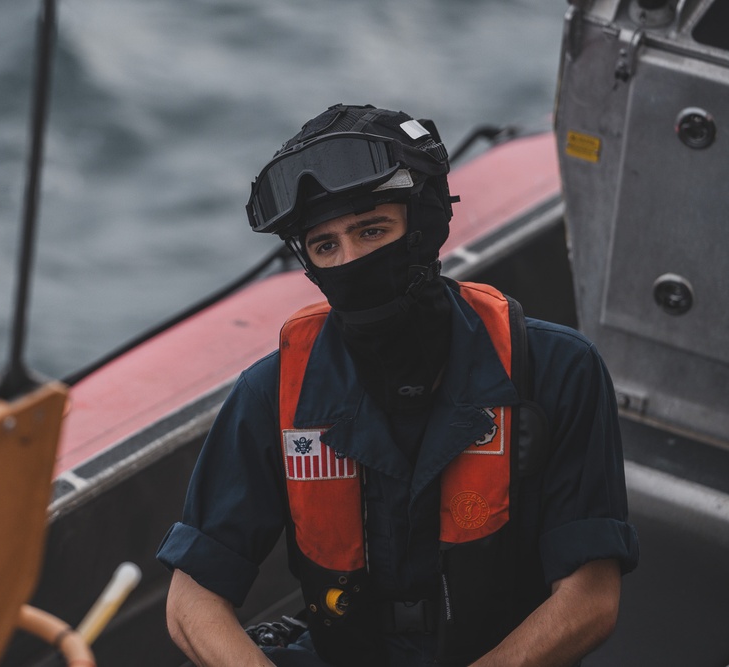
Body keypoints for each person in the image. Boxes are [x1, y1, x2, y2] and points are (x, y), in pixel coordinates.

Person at [156, 103, 638, 666]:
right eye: (326, 246)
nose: (351, 260)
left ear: (425, 223)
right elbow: (190, 600)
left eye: (372, 230)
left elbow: (592, 599)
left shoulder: (557, 370)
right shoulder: (274, 393)